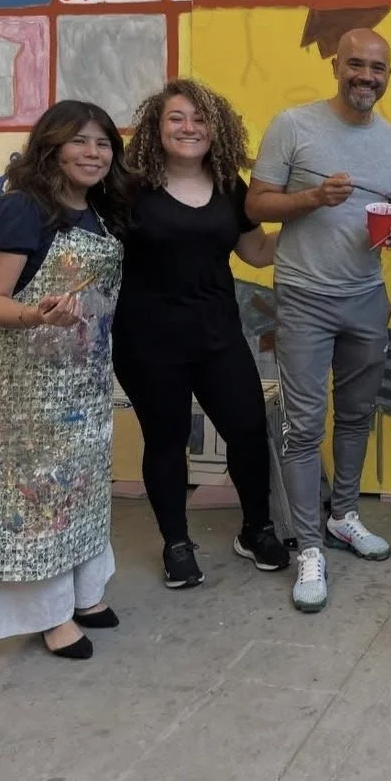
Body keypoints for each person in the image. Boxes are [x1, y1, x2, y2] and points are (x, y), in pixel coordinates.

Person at [0, 100, 133, 659]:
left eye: (103, 143)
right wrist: (38, 314)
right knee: (36, 500)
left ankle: (85, 594)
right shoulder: (19, 211)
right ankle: (47, 615)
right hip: (21, 384)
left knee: (79, 491)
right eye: (79, 141)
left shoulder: (99, 214)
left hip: (80, 380)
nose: (93, 153)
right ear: (51, 147)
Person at [247, 28, 391, 614]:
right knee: (302, 424)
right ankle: (308, 548)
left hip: (366, 294)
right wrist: (312, 199)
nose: (367, 76)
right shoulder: (294, 124)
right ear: (337, 66)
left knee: (359, 412)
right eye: (357, 65)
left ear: (389, 75)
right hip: (305, 296)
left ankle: (343, 516)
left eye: (378, 68)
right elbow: (257, 203)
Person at [114, 79, 288, 590]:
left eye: (199, 119)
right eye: (176, 118)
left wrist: (311, 220)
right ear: (156, 126)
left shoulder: (231, 185)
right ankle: (177, 543)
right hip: (147, 341)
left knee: (249, 432)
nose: (189, 127)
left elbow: (255, 253)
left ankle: (255, 529)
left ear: (217, 129)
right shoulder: (128, 187)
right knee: (167, 443)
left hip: (216, 336)